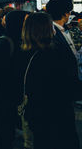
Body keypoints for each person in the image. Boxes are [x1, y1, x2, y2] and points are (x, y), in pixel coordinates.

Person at [20, 12, 80, 149]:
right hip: (59, 115)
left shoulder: (23, 53)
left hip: (36, 115)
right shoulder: (59, 53)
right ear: (48, 29)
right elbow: (73, 89)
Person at [0, 10, 29, 149]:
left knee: (10, 131)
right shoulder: (5, 43)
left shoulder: (20, 41)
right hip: (4, 97)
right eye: (25, 21)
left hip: (13, 96)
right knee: (5, 133)